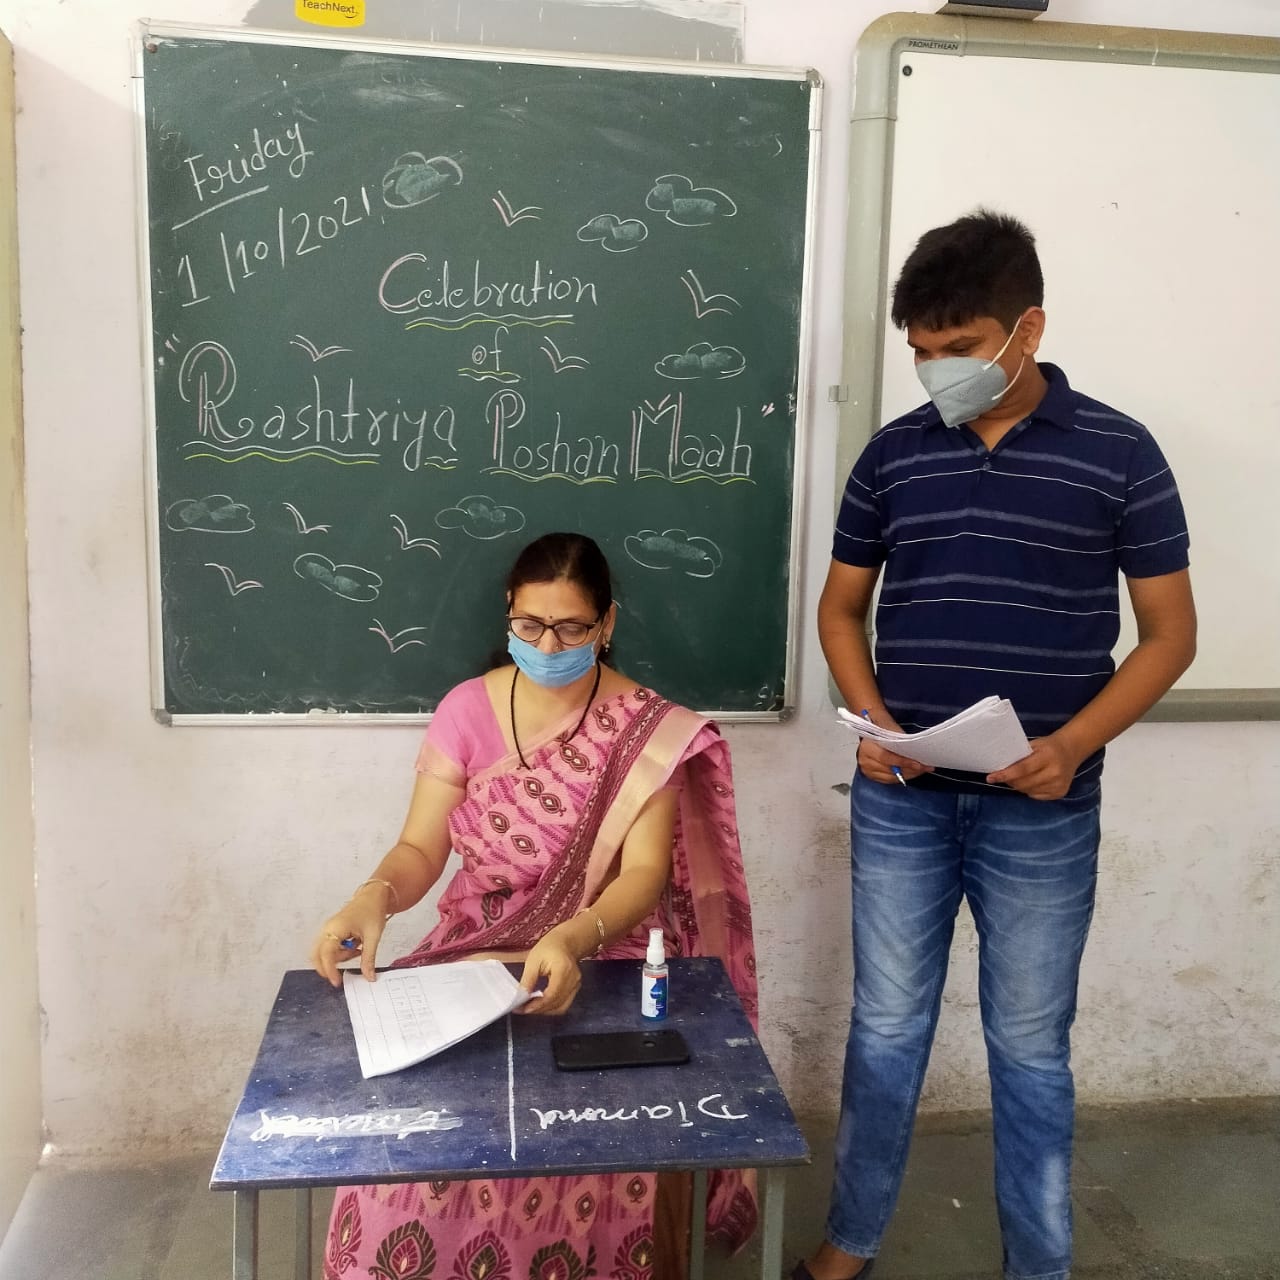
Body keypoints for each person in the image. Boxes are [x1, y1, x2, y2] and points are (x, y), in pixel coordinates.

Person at [801, 210, 1196, 1280]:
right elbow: (840, 610)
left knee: (1027, 1045)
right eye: (921, 352)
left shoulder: (1118, 452)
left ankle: (1038, 1264)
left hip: (1044, 808)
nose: (938, 370)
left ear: (1028, 328)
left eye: (961, 346)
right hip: (902, 796)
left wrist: (1072, 744)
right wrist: (873, 721)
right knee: (886, 1028)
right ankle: (849, 1240)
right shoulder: (894, 454)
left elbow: (1169, 635)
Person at [311, 531, 758, 1280]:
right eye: (530, 625)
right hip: (474, 948)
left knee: (583, 1135)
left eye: (571, 628)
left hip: (603, 951)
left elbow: (643, 873)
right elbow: (420, 849)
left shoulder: (649, 729)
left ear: (607, 624)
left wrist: (575, 938)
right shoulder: (465, 710)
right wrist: (373, 899)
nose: (548, 645)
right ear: (508, 615)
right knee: (410, 1143)